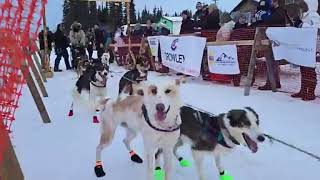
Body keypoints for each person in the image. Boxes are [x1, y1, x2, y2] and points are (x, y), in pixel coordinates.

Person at [256, 0, 291, 90]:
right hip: (275, 39)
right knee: (274, 61)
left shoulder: (279, 12)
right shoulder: (277, 11)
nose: (270, 3)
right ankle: (275, 82)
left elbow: (270, 21)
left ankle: (271, 83)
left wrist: (263, 16)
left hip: (275, 39)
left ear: (275, 2)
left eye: (271, 2)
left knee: (271, 60)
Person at [290, 0, 320, 101]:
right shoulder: (303, 16)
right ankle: (303, 90)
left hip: (311, 48)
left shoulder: (314, 16)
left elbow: (314, 29)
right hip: (303, 46)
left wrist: (301, 24)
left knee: (309, 69)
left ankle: (310, 92)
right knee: (303, 69)